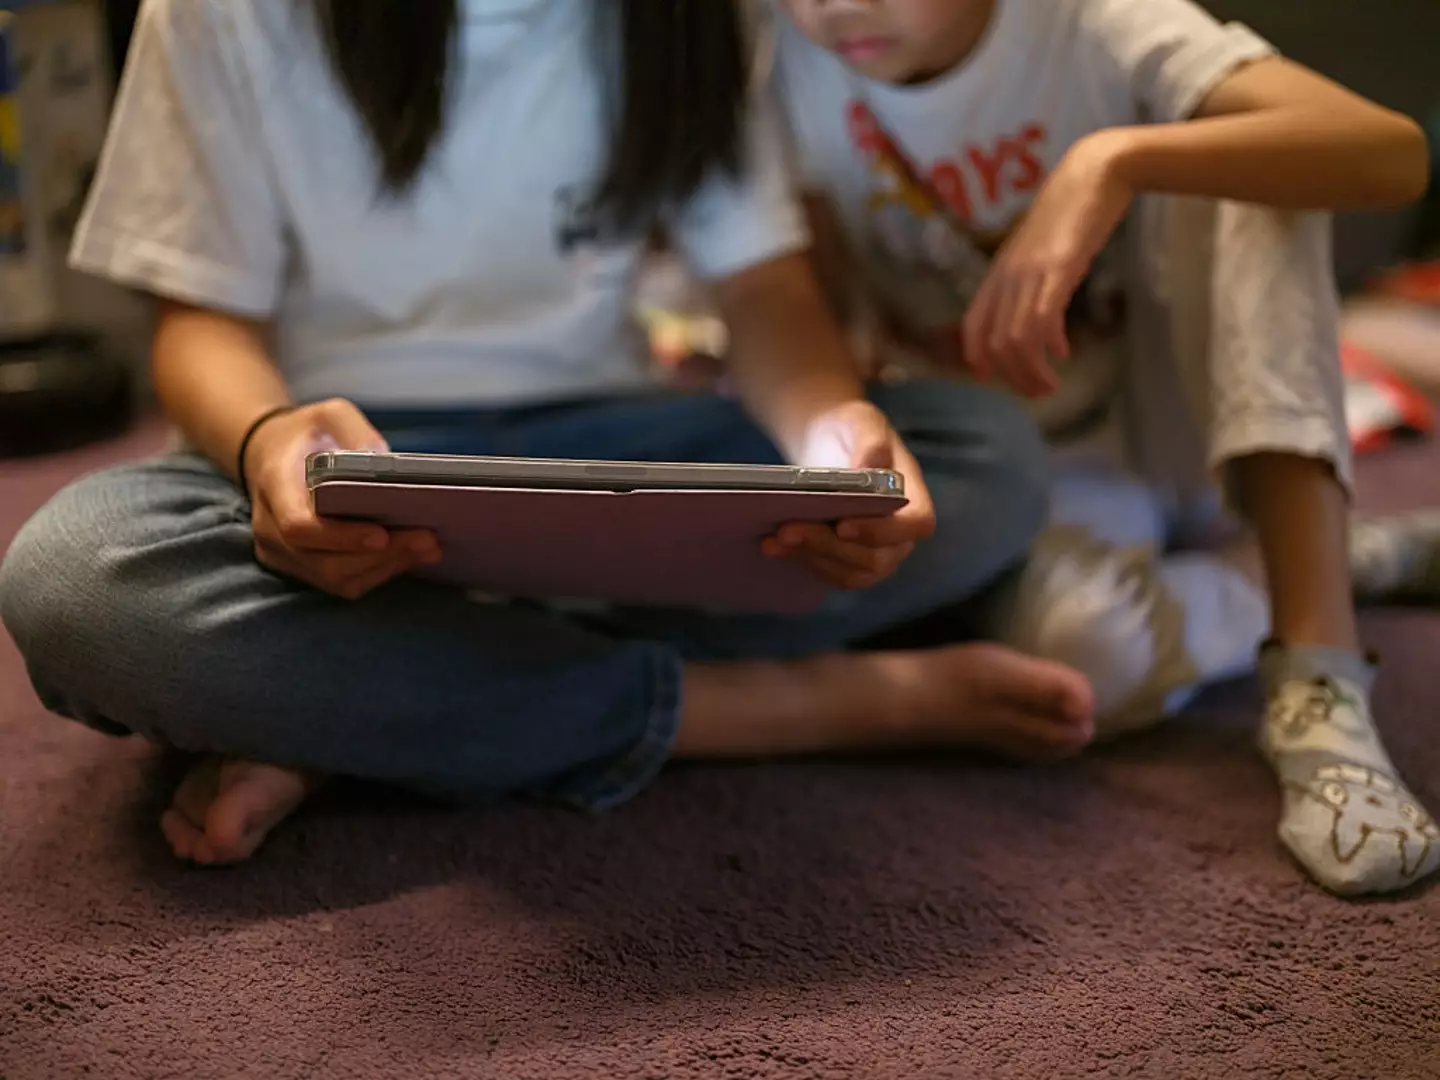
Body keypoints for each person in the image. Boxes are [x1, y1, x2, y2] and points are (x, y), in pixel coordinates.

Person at [0, 0, 1103, 868]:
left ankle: (356, 708)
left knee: (983, 457)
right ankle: (761, 708)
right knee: (75, 580)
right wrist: (265, 442)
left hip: (608, 443)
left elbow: (763, 287)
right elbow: (200, 324)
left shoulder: (693, 15)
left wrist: (839, 430)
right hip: (342, 461)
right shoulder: (225, 12)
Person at [767, 0, 1439, 894]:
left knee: (1260, 157)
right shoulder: (783, 55)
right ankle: (1319, 560)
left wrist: (1109, 160)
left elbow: (1387, 150)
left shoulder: (1090, 19)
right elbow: (805, 293)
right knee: (1080, 666)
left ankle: (1320, 675)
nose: (835, 6)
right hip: (1031, 461)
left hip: (1189, 420)